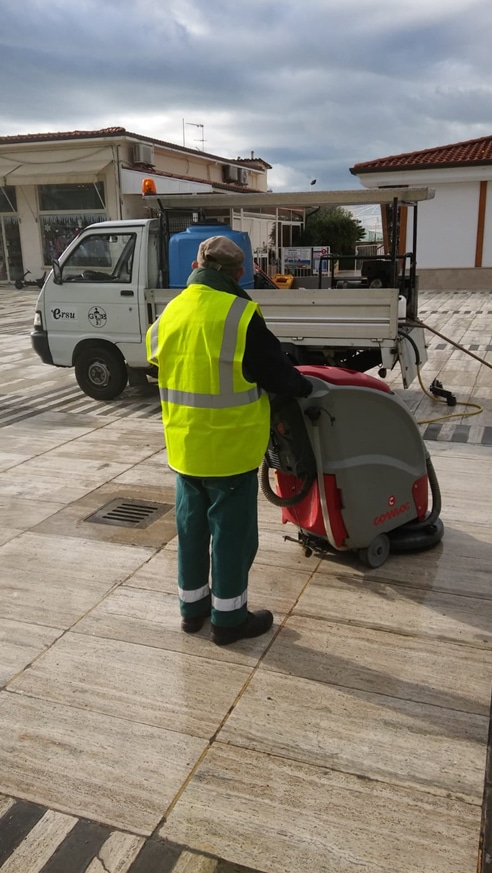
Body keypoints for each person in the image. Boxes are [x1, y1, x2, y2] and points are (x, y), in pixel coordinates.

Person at [146, 235, 312, 646]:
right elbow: (276, 374)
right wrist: (306, 385)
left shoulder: (171, 311)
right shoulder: (240, 313)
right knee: (232, 538)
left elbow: (154, 359)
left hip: (184, 449)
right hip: (230, 451)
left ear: (195, 267)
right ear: (239, 274)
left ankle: (193, 610)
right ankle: (229, 619)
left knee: (190, 531)